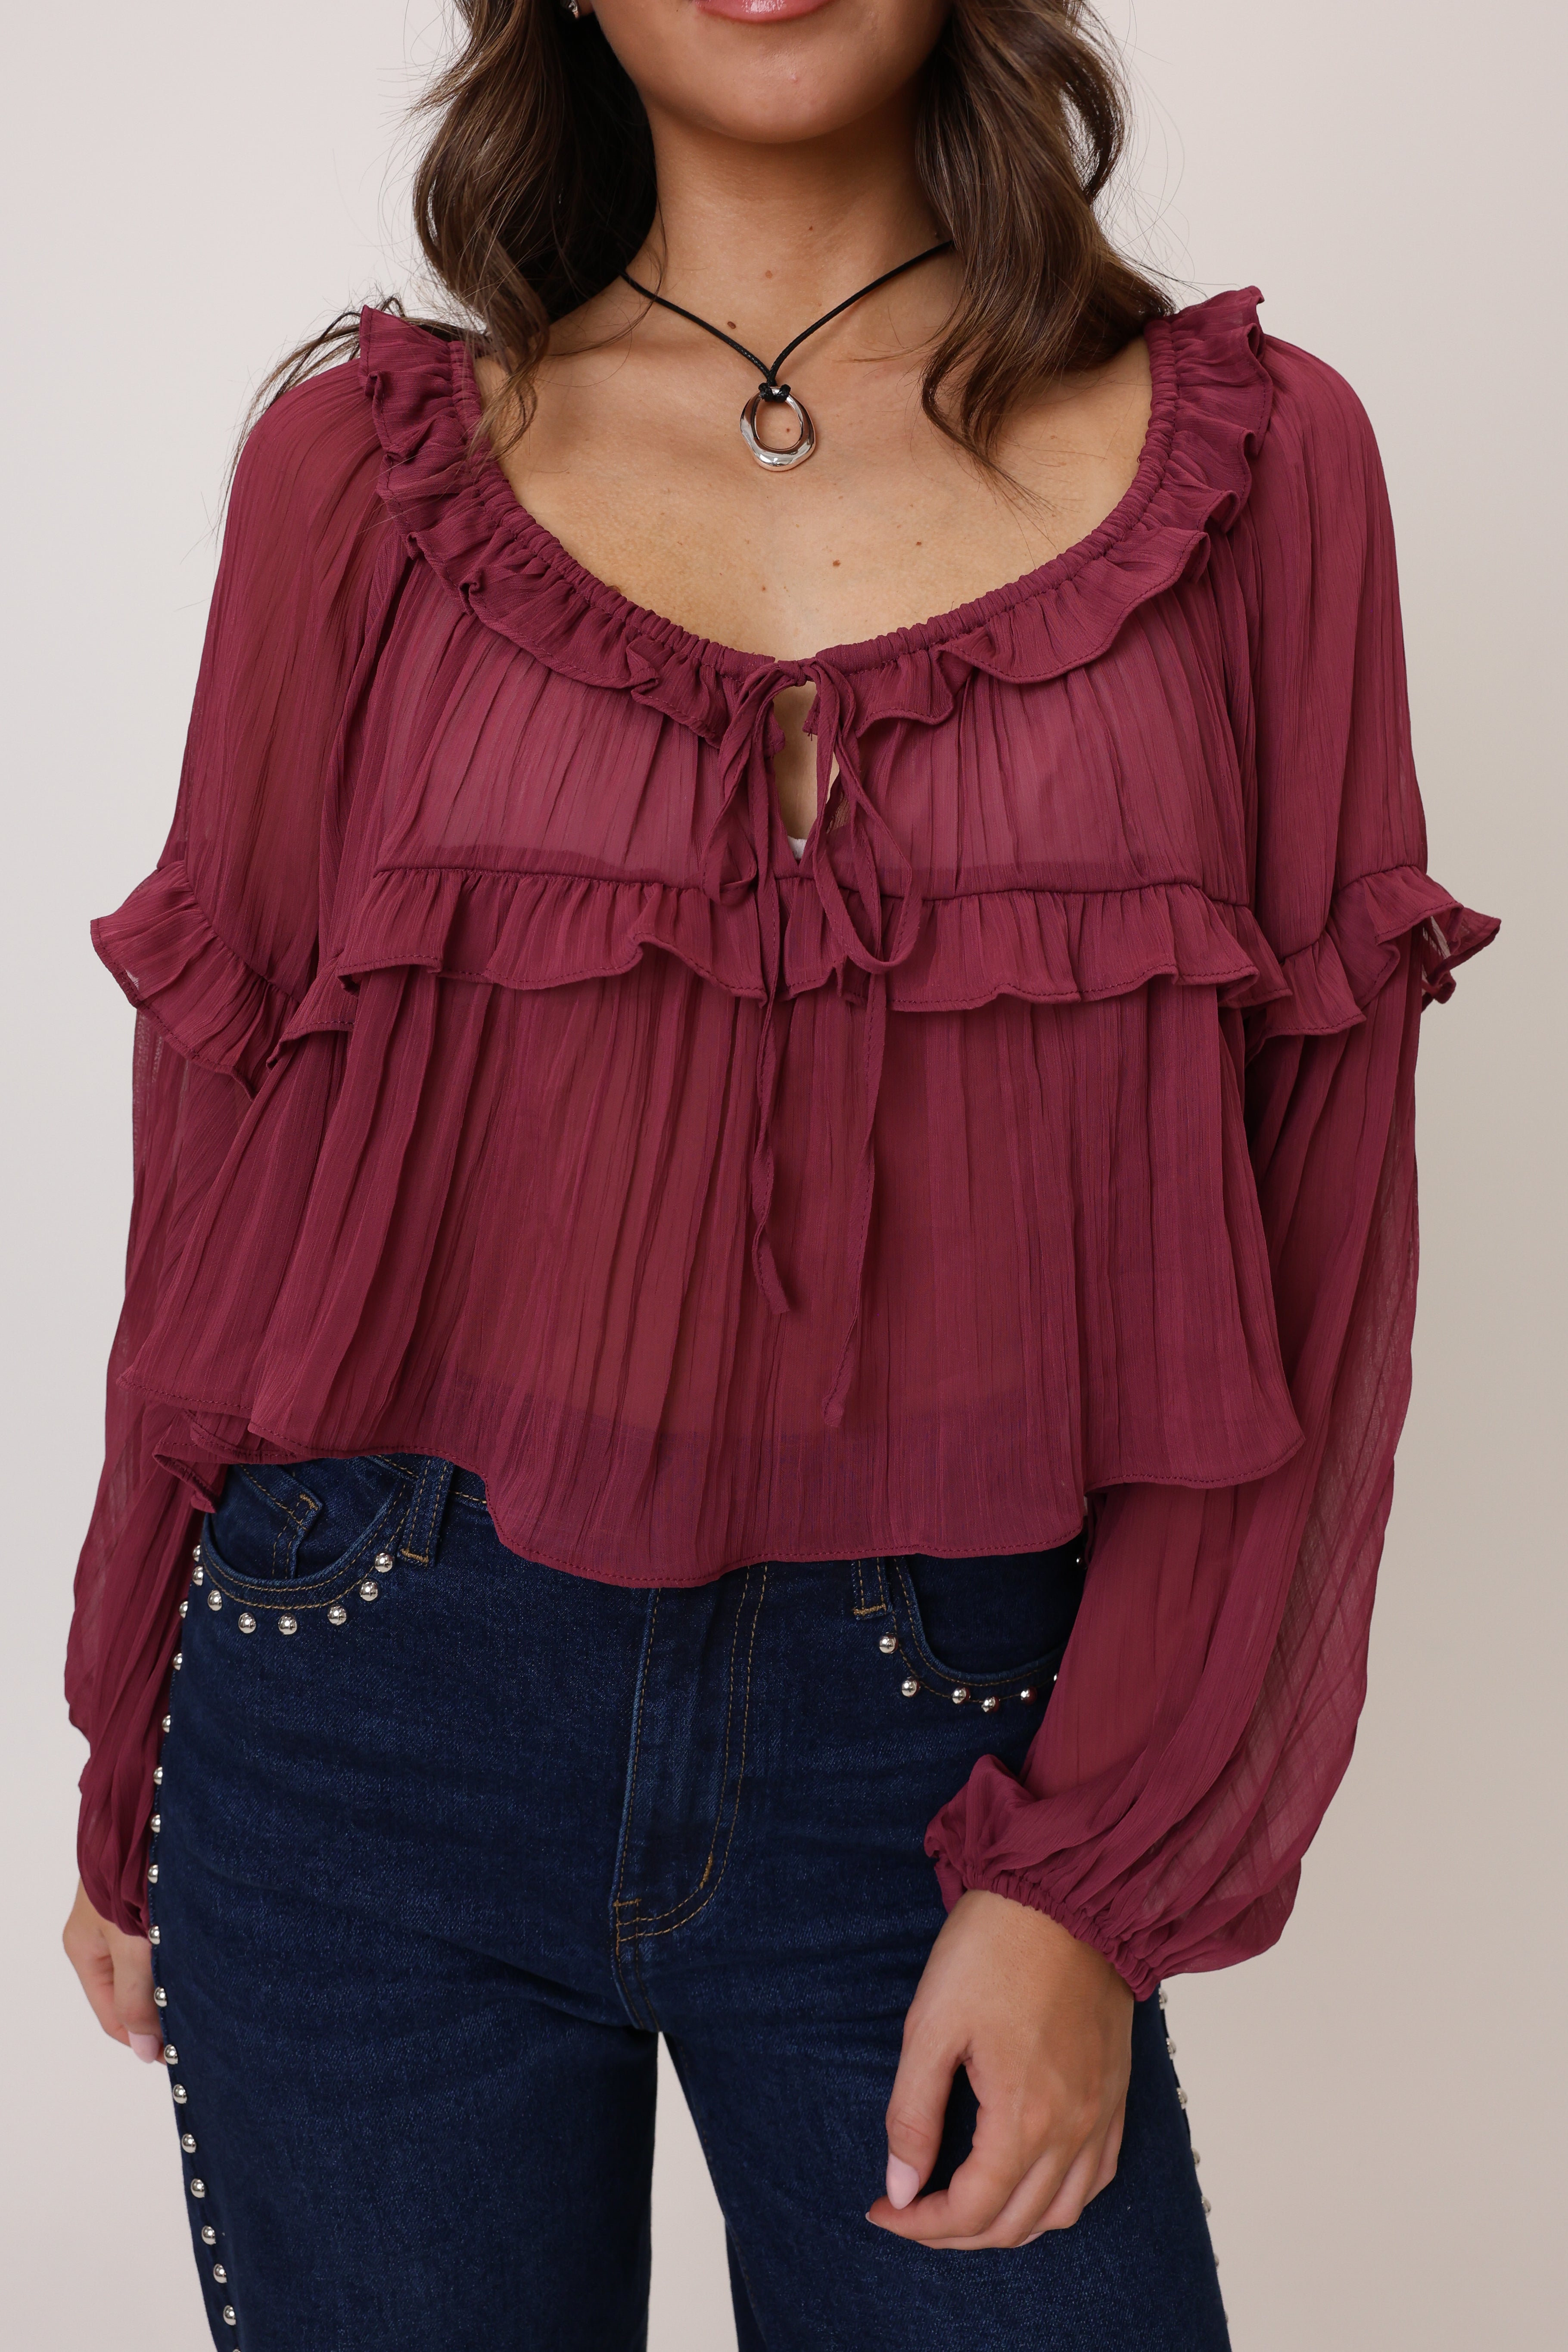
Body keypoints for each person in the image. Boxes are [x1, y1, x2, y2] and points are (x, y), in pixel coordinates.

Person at [60, 1, 1497, 2345]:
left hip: (950, 1748)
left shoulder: (1258, 473)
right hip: (362, 1695)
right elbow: (221, 1144)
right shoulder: (362, 468)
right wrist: (133, 1727)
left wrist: (1086, 1879)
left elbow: (1318, 1216)